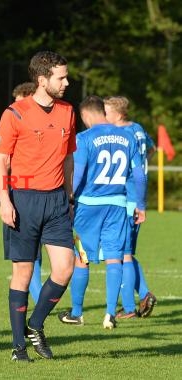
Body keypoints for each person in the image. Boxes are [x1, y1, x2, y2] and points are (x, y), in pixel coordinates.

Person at [0, 51, 76, 361]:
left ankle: (35, 324)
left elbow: (68, 157)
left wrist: (69, 197)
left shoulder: (68, 111)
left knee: (65, 268)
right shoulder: (14, 113)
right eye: (61, 77)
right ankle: (18, 347)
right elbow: (1, 160)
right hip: (23, 199)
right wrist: (4, 200)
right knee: (23, 275)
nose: (67, 82)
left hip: (56, 200)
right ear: (43, 80)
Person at [57, 95, 146, 329]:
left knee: (82, 258)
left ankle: (77, 313)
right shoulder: (128, 136)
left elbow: (78, 172)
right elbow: (139, 174)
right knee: (115, 257)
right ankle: (109, 314)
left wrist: (69, 199)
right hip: (118, 205)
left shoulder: (84, 138)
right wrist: (142, 205)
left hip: (89, 206)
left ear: (86, 115)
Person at [104, 96, 157, 318]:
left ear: (117, 114)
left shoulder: (121, 135)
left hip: (127, 197)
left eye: (106, 112)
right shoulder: (138, 129)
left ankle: (129, 307)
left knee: (123, 254)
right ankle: (144, 294)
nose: (104, 116)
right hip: (139, 194)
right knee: (126, 252)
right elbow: (152, 149)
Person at [12, 82, 43, 304]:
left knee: (66, 259)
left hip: (51, 196)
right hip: (22, 195)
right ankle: (39, 298)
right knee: (29, 256)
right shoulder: (13, 121)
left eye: (20, 101)